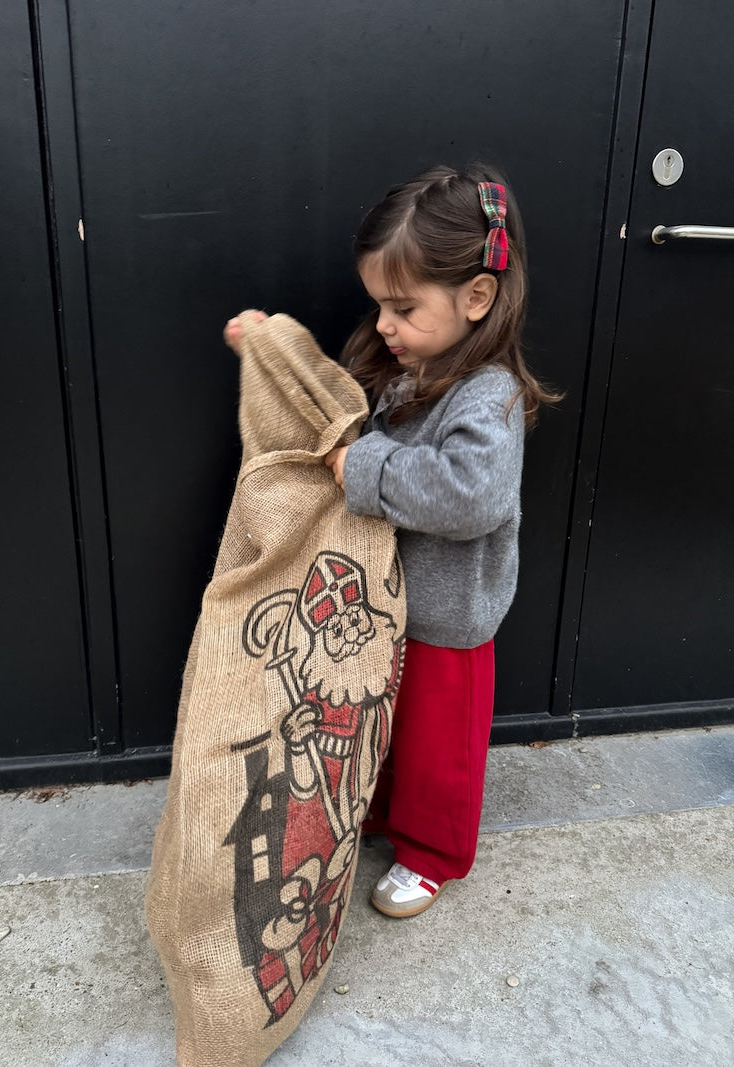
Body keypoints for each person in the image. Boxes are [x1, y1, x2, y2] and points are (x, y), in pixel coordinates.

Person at [323, 162, 559, 918]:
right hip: (389, 604)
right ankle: (382, 813)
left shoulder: (488, 394)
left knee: (437, 751)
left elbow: (469, 496)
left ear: (476, 297)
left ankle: (432, 851)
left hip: (450, 618)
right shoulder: (410, 365)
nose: (384, 324)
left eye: (401, 307)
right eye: (378, 306)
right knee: (384, 726)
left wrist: (358, 466)